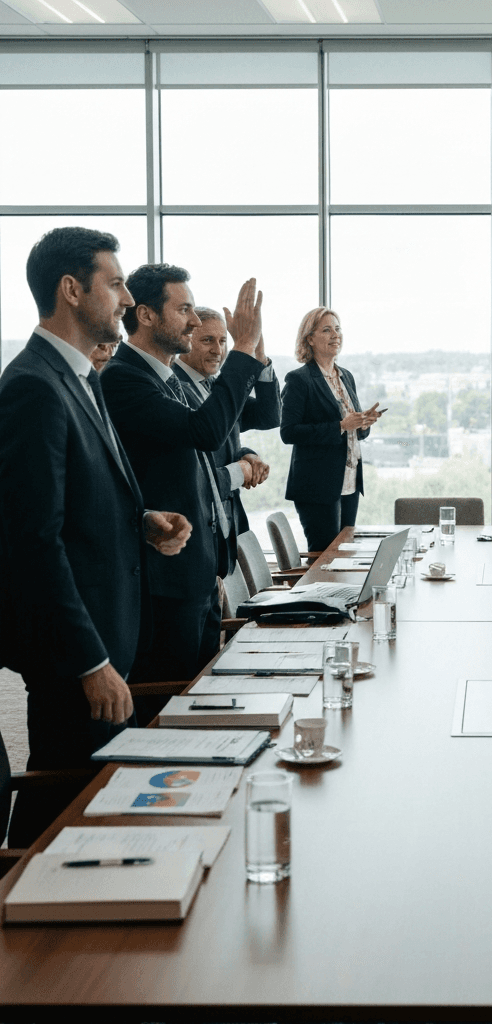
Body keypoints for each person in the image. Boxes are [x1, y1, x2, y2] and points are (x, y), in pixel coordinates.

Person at [0, 227, 191, 845]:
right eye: (114, 284)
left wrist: (142, 521)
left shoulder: (80, 377)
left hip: (109, 640)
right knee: (62, 817)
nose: (127, 298)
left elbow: (76, 501)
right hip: (76, 656)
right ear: (71, 290)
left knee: (90, 813)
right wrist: (90, 662)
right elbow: (32, 542)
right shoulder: (33, 385)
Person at [101, 266, 264, 684]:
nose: (194, 321)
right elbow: (205, 432)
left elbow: (204, 447)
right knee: (172, 708)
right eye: (185, 309)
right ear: (146, 315)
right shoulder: (123, 378)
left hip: (198, 572)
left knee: (201, 694)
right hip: (165, 581)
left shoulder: (169, 377)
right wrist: (244, 347)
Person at [173, 307, 281, 573]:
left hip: (226, 527)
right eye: (207, 340)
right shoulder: (173, 387)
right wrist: (237, 471)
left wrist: (259, 357)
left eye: (223, 341)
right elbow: (192, 462)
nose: (218, 350)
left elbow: (269, 416)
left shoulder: (216, 386)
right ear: (185, 340)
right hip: (195, 532)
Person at [281, 307, 382, 552]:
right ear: (310, 339)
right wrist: (339, 426)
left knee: (344, 555)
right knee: (324, 560)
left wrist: (363, 424)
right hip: (317, 486)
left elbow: (354, 431)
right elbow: (289, 432)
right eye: (326, 329)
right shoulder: (299, 380)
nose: (335, 334)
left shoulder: (346, 376)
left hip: (349, 483)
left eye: (337, 329)